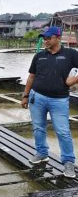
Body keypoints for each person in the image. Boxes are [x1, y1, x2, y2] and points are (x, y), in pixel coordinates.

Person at [21, 26, 78, 178]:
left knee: (63, 131)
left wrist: (74, 80)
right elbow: (31, 77)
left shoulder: (71, 54)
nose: (45, 41)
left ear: (58, 38)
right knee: (38, 128)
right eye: (44, 38)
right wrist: (25, 95)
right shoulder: (39, 56)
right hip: (37, 97)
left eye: (48, 38)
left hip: (59, 100)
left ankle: (68, 162)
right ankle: (41, 154)